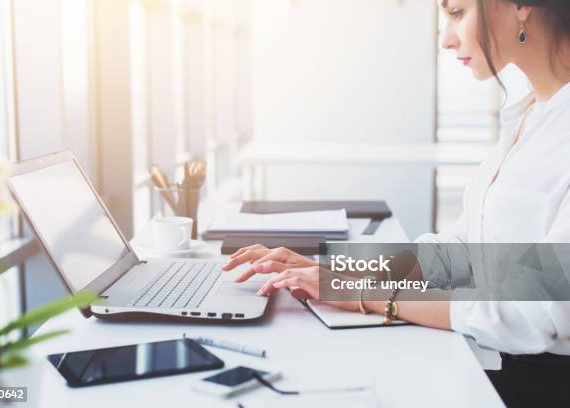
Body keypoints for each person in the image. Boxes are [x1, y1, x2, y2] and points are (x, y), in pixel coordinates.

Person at [222, 1, 570, 406]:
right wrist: (340, 268)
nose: (445, 38)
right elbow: (466, 251)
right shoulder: (529, 112)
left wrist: (363, 294)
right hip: (496, 363)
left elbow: (534, 309)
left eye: (457, 12)